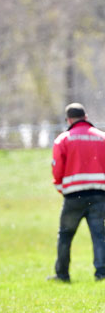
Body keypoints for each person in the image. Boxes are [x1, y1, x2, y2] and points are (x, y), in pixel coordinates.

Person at [48, 102, 105, 282]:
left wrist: (61, 187)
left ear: (68, 120)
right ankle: (102, 273)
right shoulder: (102, 138)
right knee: (99, 235)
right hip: (99, 194)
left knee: (65, 235)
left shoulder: (63, 139)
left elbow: (57, 168)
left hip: (73, 195)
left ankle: (62, 274)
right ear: (85, 117)